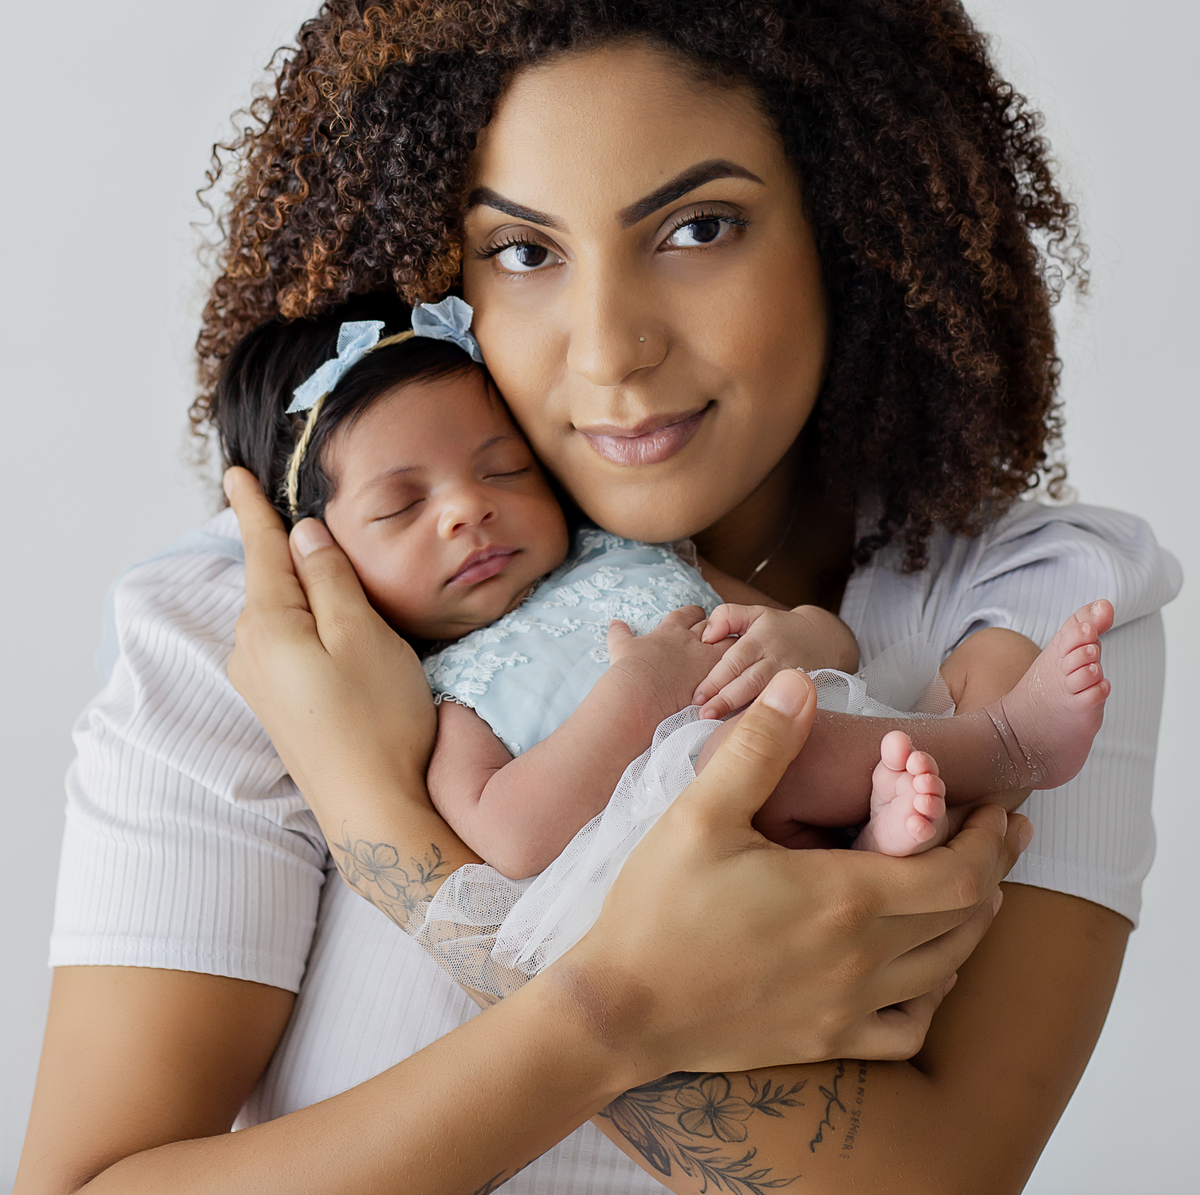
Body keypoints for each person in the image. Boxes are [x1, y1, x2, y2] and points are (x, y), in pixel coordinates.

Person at [0, 0, 1180, 1195]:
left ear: (851, 228)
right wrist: (608, 1008)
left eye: (699, 228)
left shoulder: (1028, 614)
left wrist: (383, 823)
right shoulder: (265, 639)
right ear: (448, 272)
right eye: (524, 251)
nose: (612, 348)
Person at [213, 289, 1113, 928]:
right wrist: (638, 697)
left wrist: (790, 636)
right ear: (318, 560)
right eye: (402, 506)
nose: (466, 510)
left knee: (795, 727)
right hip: (683, 903)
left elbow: (826, 636)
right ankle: (1004, 747)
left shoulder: (629, 552)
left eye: (503, 468)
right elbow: (511, 837)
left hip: (799, 801)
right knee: (744, 752)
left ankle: (876, 843)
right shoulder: (449, 691)